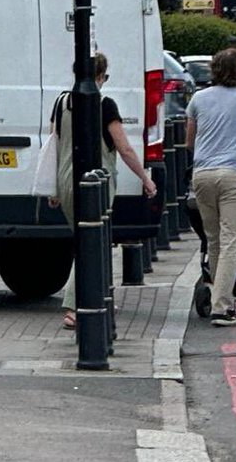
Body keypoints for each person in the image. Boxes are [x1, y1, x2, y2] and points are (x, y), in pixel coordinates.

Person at [50, 51, 158, 329]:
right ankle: (76, 306)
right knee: (92, 241)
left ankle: (98, 294)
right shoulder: (104, 105)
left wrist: (52, 187)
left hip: (65, 179)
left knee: (85, 238)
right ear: (98, 76)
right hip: (97, 181)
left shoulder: (62, 102)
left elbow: (54, 145)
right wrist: (145, 178)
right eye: (104, 76)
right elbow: (124, 148)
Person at [185, 47, 236, 328]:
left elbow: (190, 143)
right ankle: (222, 307)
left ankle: (217, 293)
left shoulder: (198, 98)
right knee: (232, 241)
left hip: (203, 174)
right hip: (234, 173)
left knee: (214, 240)